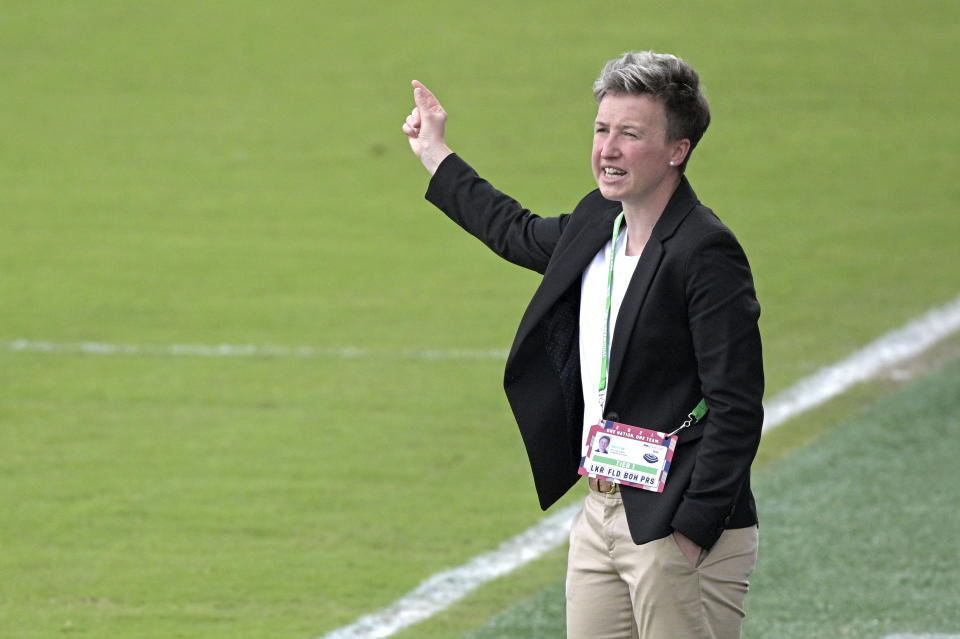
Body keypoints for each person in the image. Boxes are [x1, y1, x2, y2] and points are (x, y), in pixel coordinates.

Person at [402, 51, 764, 639]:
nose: (608, 149)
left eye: (630, 134)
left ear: (678, 149)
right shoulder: (600, 221)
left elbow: (738, 405)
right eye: (602, 129)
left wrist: (691, 530)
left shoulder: (705, 252)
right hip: (600, 513)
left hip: (675, 519)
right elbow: (513, 230)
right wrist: (435, 154)